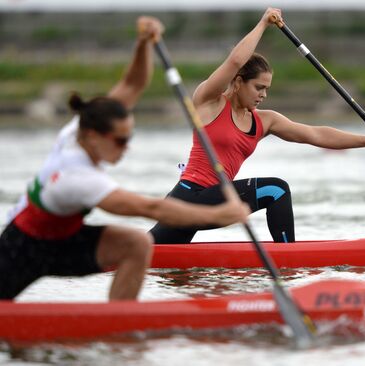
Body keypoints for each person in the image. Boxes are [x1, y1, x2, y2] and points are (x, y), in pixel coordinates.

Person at [0, 16, 249, 301]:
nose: (126, 148)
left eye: (129, 138)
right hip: (22, 248)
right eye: (120, 141)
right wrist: (218, 215)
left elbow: (133, 84)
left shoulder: (82, 126)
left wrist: (143, 44)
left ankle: (119, 326)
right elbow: (151, 207)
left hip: (65, 240)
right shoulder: (77, 176)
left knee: (137, 243)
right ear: (94, 136)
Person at [150, 8, 365, 244]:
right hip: (189, 196)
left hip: (213, 199)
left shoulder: (264, 121)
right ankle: (289, 263)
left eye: (267, 89)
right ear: (238, 82)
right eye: (258, 87)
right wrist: (263, 24)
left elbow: (315, 134)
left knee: (158, 259)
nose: (264, 95)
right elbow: (235, 61)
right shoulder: (209, 102)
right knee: (276, 190)